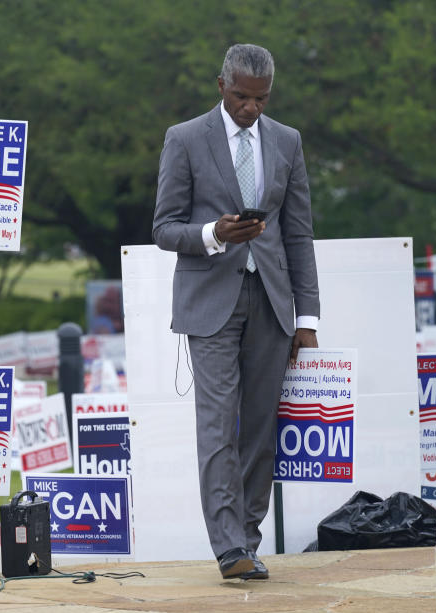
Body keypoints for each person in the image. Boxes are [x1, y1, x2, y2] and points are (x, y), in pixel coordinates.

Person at [152, 44, 320, 580]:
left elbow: (298, 233)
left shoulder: (287, 142)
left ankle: (247, 536)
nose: (252, 108)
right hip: (211, 303)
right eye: (243, 96)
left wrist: (308, 319)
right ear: (220, 84)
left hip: (272, 302)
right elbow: (163, 228)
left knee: (260, 428)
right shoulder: (184, 139)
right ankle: (229, 547)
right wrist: (213, 234)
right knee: (218, 423)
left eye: (262, 98)